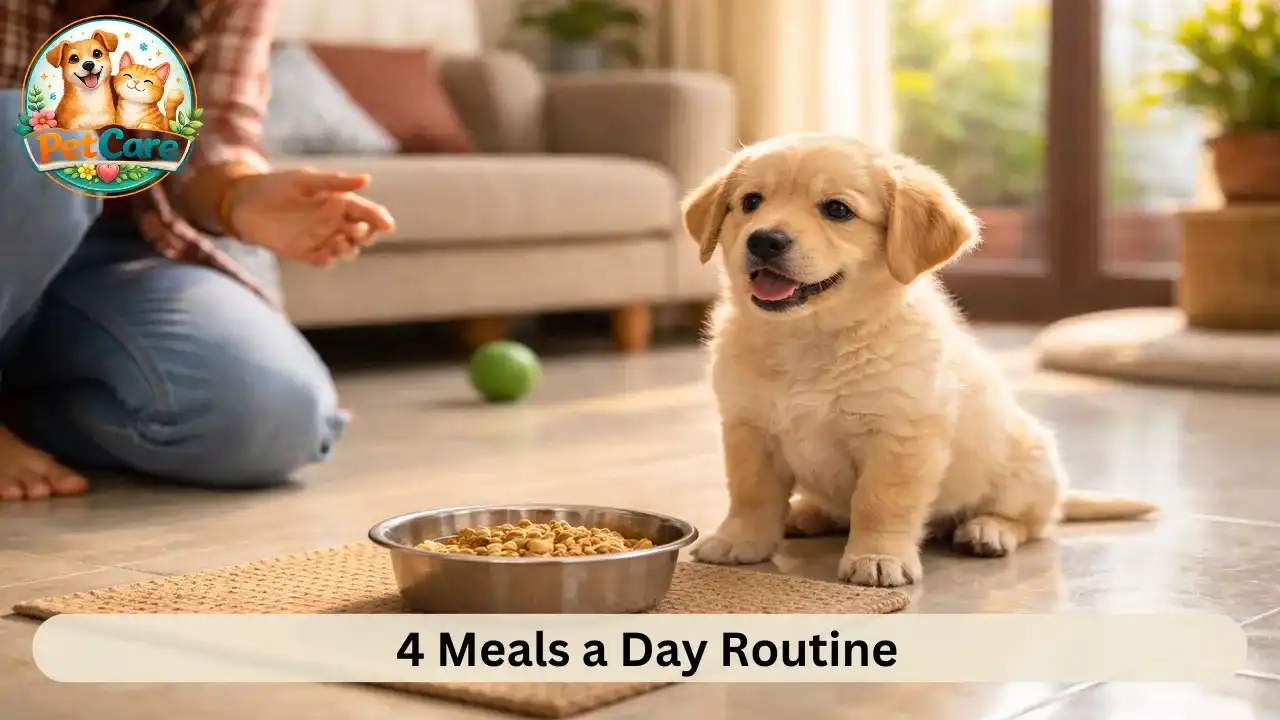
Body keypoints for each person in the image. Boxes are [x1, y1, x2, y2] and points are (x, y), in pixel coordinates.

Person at [0, 0, 395, 500]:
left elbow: (213, 140)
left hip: (122, 247)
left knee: (270, 417)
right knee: (32, 134)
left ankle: (17, 409)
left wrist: (239, 198)